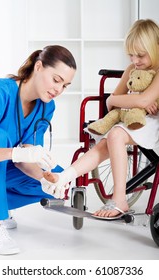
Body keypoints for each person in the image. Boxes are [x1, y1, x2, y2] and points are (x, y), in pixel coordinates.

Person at [41, 19, 159, 219]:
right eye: (131, 54)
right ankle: (64, 177)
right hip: (131, 121)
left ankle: (119, 198)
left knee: (114, 136)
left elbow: (144, 98)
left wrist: (133, 100)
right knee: (104, 143)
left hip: (154, 123)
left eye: (140, 55)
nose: (135, 60)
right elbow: (111, 102)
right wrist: (133, 101)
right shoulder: (132, 70)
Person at [0, 45, 76, 255]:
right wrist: (15, 153)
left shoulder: (46, 107)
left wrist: (46, 178)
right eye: (56, 80)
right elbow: (14, 154)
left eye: (65, 85)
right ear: (38, 67)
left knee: (57, 179)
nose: (58, 90)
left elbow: (26, 157)